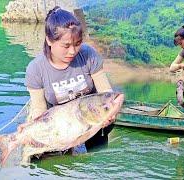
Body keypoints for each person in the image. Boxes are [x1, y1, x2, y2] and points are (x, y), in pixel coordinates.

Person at [24, 6, 119, 153]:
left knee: (98, 159)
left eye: (77, 44)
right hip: (61, 124)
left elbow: (106, 92)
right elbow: (39, 109)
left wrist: (109, 114)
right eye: (66, 46)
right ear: (49, 40)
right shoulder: (35, 69)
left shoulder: (88, 55)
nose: (73, 51)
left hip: (91, 117)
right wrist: (33, 128)